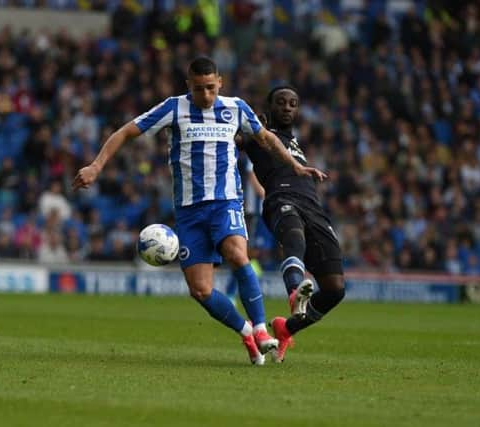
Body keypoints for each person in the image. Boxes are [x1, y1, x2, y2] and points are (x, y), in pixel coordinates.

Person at [73, 57, 324, 365]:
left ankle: (260, 330)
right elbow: (126, 131)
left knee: (237, 254)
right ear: (187, 85)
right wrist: (96, 165)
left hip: (226, 201)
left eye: (210, 88)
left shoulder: (236, 107)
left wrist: (295, 165)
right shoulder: (173, 108)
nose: (205, 95)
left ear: (219, 82)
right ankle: (246, 331)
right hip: (190, 211)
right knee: (201, 290)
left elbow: (266, 138)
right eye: (197, 89)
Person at [242, 86, 345, 363]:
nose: (287, 107)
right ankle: (293, 292)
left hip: (314, 206)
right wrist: (248, 126)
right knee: (294, 235)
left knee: (335, 288)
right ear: (269, 106)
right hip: (280, 198)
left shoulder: (294, 140)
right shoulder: (258, 132)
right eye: (281, 102)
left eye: (293, 103)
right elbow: (234, 139)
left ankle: (286, 329)